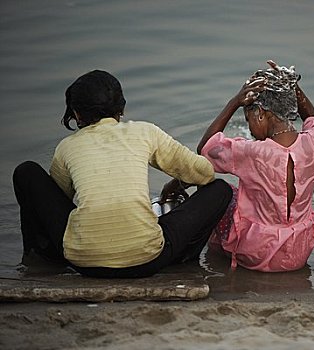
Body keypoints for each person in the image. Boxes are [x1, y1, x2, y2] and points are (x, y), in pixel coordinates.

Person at [12, 70, 232, 278]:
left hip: (84, 263)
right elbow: (204, 173)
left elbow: (58, 199)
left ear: (76, 113)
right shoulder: (145, 132)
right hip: (148, 260)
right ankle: (184, 259)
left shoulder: (67, 147)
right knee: (219, 189)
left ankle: (41, 258)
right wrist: (177, 183)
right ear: (122, 108)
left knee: (26, 172)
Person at [197, 60, 314, 272]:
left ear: (260, 113)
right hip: (300, 250)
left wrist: (234, 102)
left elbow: (205, 148)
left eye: (249, 119)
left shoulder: (252, 152)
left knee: (220, 193)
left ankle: (214, 256)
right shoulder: (313, 141)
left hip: (258, 253)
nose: (250, 129)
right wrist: (293, 86)